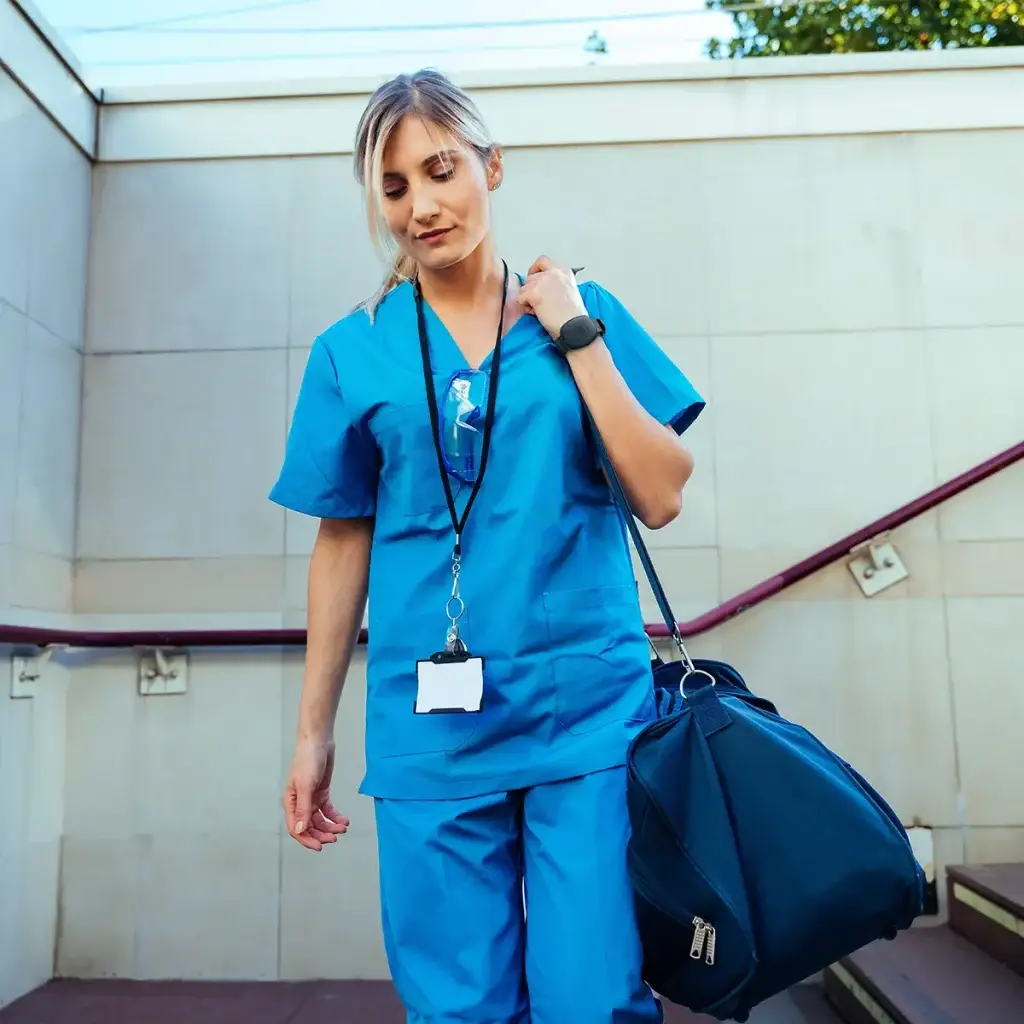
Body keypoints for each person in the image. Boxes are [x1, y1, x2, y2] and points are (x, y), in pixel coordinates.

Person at [270, 68, 706, 1024]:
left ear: (491, 167)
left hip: (584, 712)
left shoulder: (582, 314)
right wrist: (314, 733)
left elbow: (663, 494)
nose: (422, 206)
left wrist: (578, 334)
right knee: (458, 1008)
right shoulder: (354, 350)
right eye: (394, 188)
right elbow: (341, 543)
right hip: (431, 728)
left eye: (440, 170)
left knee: (593, 1001)